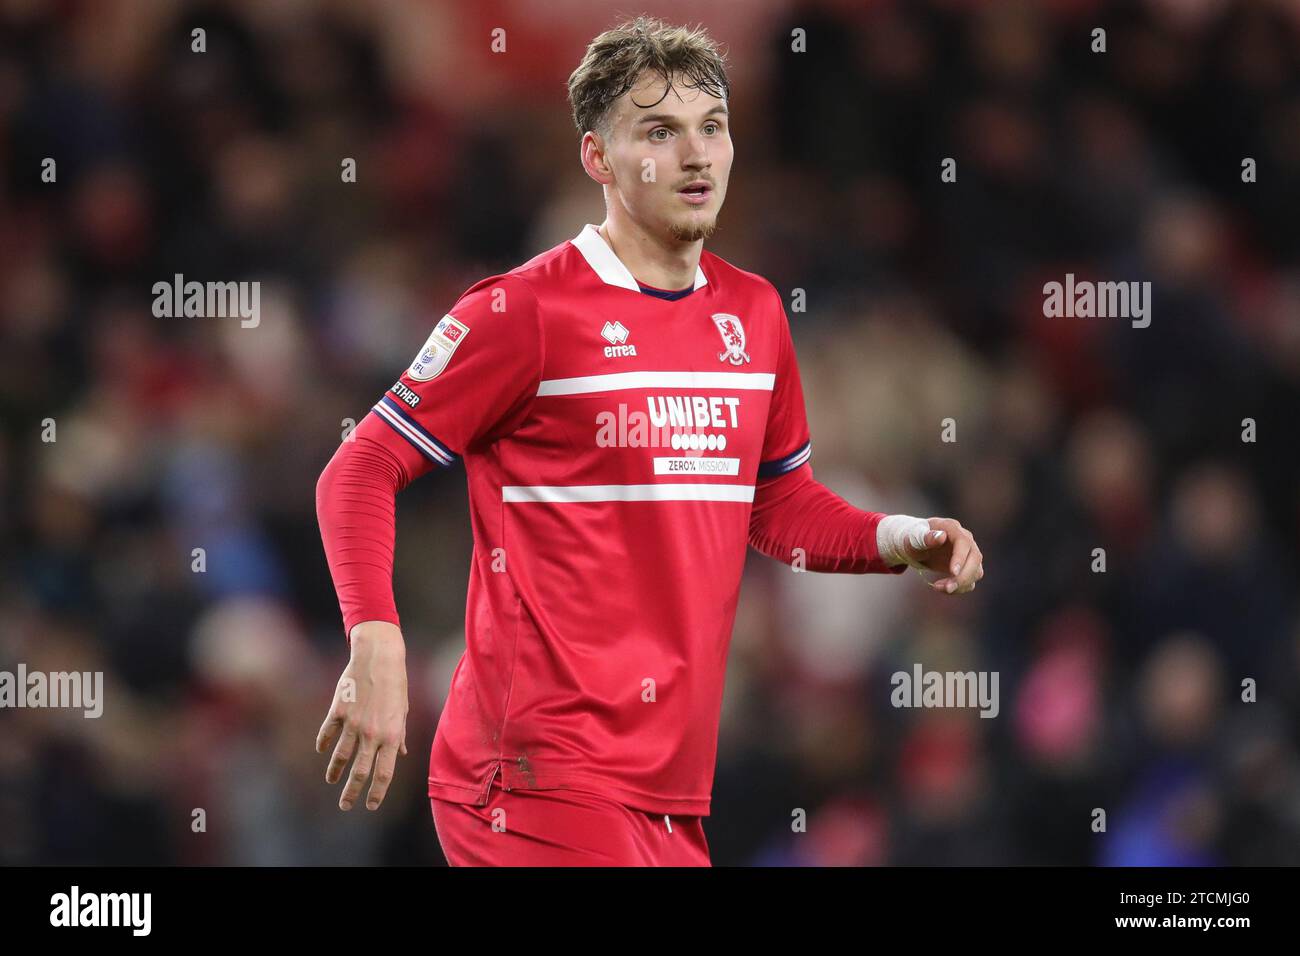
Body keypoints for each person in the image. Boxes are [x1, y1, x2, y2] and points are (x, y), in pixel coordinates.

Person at [314, 16, 984, 866]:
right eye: (659, 132)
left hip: (669, 795)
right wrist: (376, 638)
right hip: (531, 779)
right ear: (598, 158)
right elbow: (360, 466)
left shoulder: (755, 315)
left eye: (712, 127)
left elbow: (776, 505)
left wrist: (898, 540)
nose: (697, 155)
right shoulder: (524, 314)